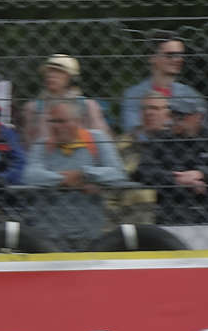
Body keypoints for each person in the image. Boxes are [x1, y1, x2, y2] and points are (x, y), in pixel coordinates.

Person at [20, 96, 129, 247]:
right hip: (48, 236)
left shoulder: (96, 139)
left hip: (90, 234)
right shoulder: (42, 145)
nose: (56, 126)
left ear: (77, 122)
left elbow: (118, 173)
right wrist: (62, 179)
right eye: (52, 121)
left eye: (62, 121)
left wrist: (85, 174)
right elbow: (29, 176)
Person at [131, 93, 208, 224]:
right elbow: (143, 171)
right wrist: (177, 179)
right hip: (172, 208)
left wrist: (201, 173)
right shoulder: (162, 138)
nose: (175, 121)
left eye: (181, 117)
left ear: (197, 117)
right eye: (173, 115)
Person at [116, 35, 201, 135]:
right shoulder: (133, 95)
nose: (178, 60)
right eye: (170, 55)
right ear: (152, 57)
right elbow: (134, 130)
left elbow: (201, 124)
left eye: (180, 55)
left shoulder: (189, 94)